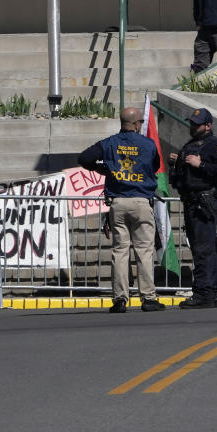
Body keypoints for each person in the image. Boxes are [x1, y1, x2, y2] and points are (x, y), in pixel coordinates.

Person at [78, 107, 165, 313]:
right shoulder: (148, 144)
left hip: (118, 202)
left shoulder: (109, 143)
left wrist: (103, 168)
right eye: (140, 123)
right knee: (143, 251)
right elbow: (154, 165)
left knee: (120, 251)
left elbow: (84, 158)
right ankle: (148, 298)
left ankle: (120, 299)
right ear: (136, 124)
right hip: (141, 201)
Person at [169, 107, 217, 308]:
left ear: (208, 126)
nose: (193, 127)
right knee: (202, 249)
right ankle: (212, 292)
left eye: (198, 124)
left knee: (204, 249)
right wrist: (177, 161)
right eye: (192, 123)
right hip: (192, 201)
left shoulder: (216, 145)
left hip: (203, 202)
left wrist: (201, 165)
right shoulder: (190, 144)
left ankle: (204, 293)